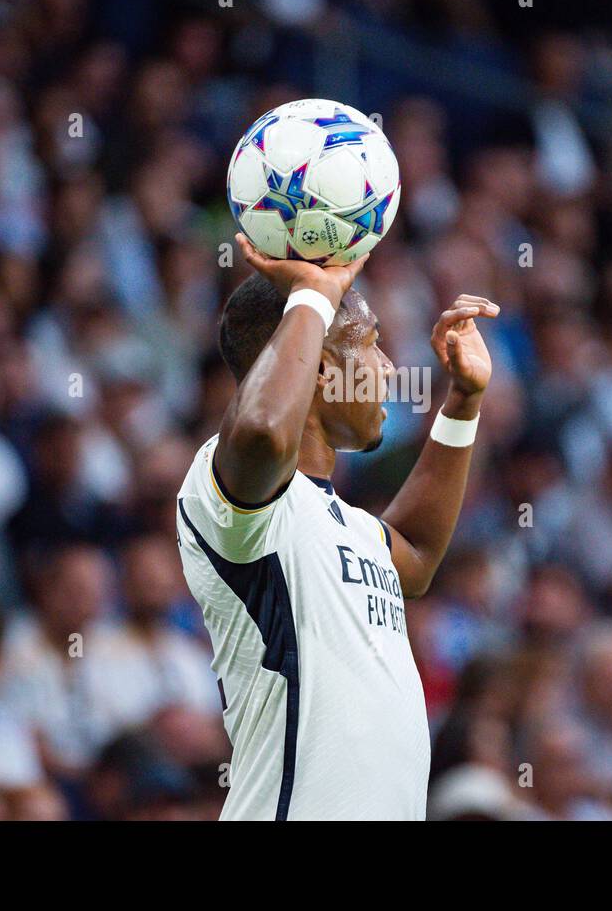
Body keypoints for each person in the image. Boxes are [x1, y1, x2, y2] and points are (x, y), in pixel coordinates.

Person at [176, 234, 498, 820]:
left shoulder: (349, 522)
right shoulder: (229, 487)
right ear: (323, 370)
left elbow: (419, 556)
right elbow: (264, 433)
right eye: (372, 346)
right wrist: (315, 296)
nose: (388, 368)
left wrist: (462, 403)